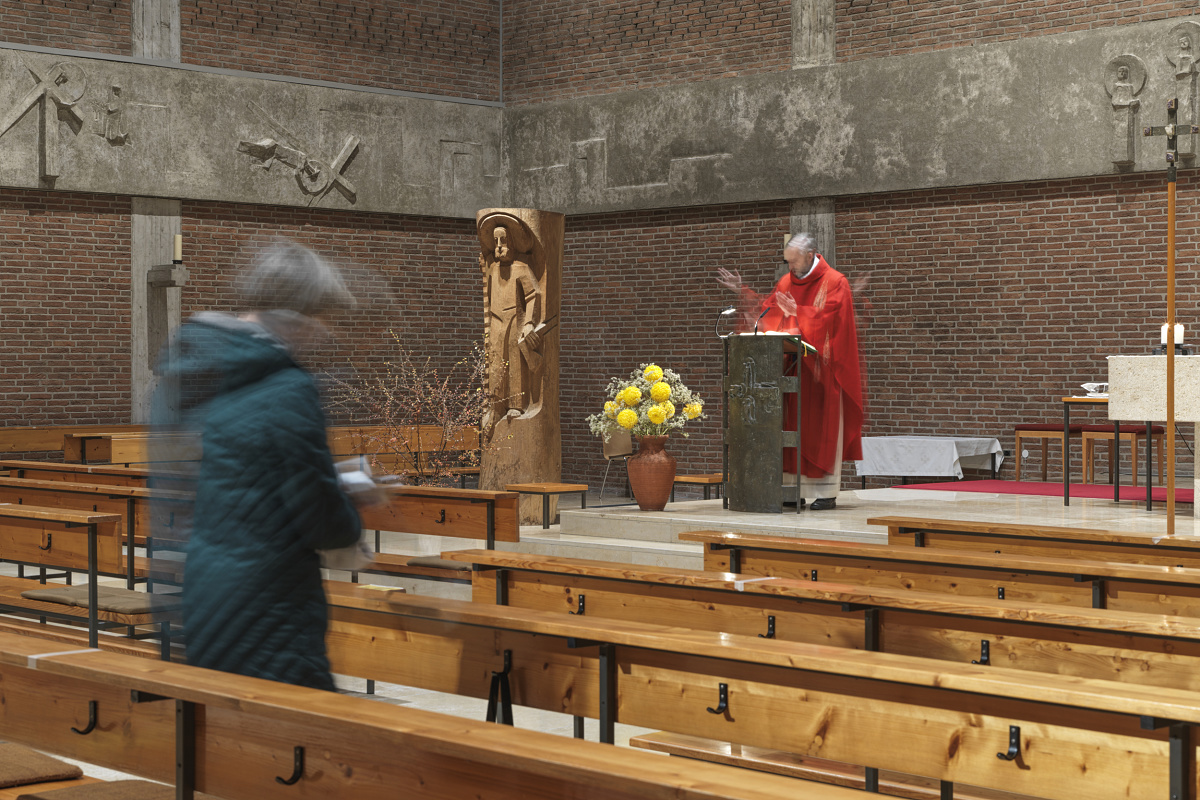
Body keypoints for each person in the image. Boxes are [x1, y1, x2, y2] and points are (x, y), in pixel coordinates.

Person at [161, 240, 365, 690]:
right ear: (296, 312)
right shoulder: (287, 387)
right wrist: (352, 506)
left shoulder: (198, 368)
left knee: (226, 735)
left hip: (206, 587)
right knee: (298, 743)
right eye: (320, 316)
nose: (323, 331)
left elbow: (232, 478)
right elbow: (320, 516)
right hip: (271, 598)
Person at [717, 233, 864, 510]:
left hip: (822, 375)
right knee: (790, 431)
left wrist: (801, 312)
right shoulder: (786, 281)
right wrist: (742, 292)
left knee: (820, 431)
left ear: (810, 255)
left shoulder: (836, 282)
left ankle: (825, 493)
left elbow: (835, 323)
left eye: (794, 262)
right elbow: (767, 310)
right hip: (793, 372)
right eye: (788, 262)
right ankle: (791, 491)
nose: (791, 268)